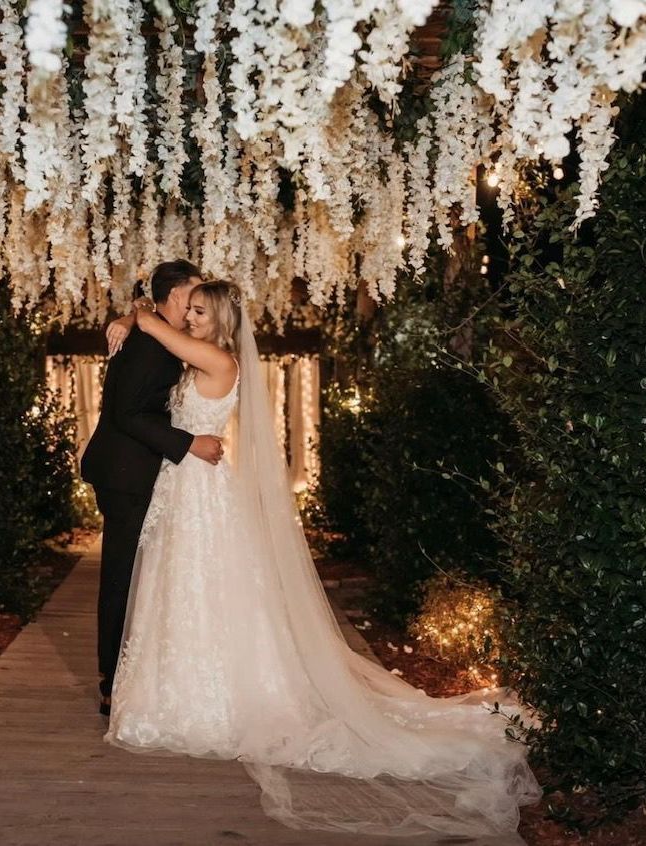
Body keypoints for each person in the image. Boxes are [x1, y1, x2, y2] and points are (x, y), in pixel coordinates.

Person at [100, 279, 541, 841]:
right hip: (184, 486)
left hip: (201, 491)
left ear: (223, 322)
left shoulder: (217, 357)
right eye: (188, 310)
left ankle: (214, 699)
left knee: (204, 586)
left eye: (199, 312)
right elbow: (158, 328)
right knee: (182, 589)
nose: (188, 319)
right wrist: (134, 312)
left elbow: (153, 323)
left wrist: (134, 313)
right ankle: (179, 688)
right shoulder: (198, 353)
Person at [80, 260, 225, 719]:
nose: (198, 305)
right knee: (121, 577)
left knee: (140, 575)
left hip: (137, 472)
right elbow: (128, 414)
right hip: (126, 474)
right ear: (177, 295)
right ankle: (111, 684)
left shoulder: (155, 335)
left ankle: (132, 672)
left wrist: (134, 312)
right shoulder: (149, 346)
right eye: (195, 295)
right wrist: (189, 444)